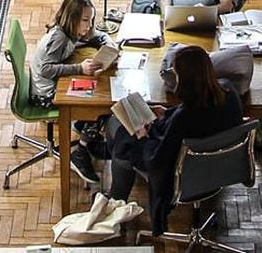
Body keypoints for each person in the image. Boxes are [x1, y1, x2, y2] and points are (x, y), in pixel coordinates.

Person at [103, 44, 244, 234]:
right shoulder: (229, 92)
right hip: (220, 169)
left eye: (177, 74)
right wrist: (168, 112)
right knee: (122, 139)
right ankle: (114, 197)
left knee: (120, 136)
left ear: (185, 79)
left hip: (182, 172)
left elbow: (157, 162)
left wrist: (143, 138)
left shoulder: (184, 117)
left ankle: (116, 202)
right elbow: (204, 115)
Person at [29, 0, 110, 185]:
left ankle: (85, 128)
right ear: (72, 18)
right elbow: (47, 69)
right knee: (97, 103)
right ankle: (81, 151)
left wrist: (107, 42)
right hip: (46, 95)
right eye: (85, 20)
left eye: (90, 20)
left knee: (96, 92)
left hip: (53, 84)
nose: (88, 25)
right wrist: (79, 68)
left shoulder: (71, 29)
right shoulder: (59, 37)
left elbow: (93, 35)